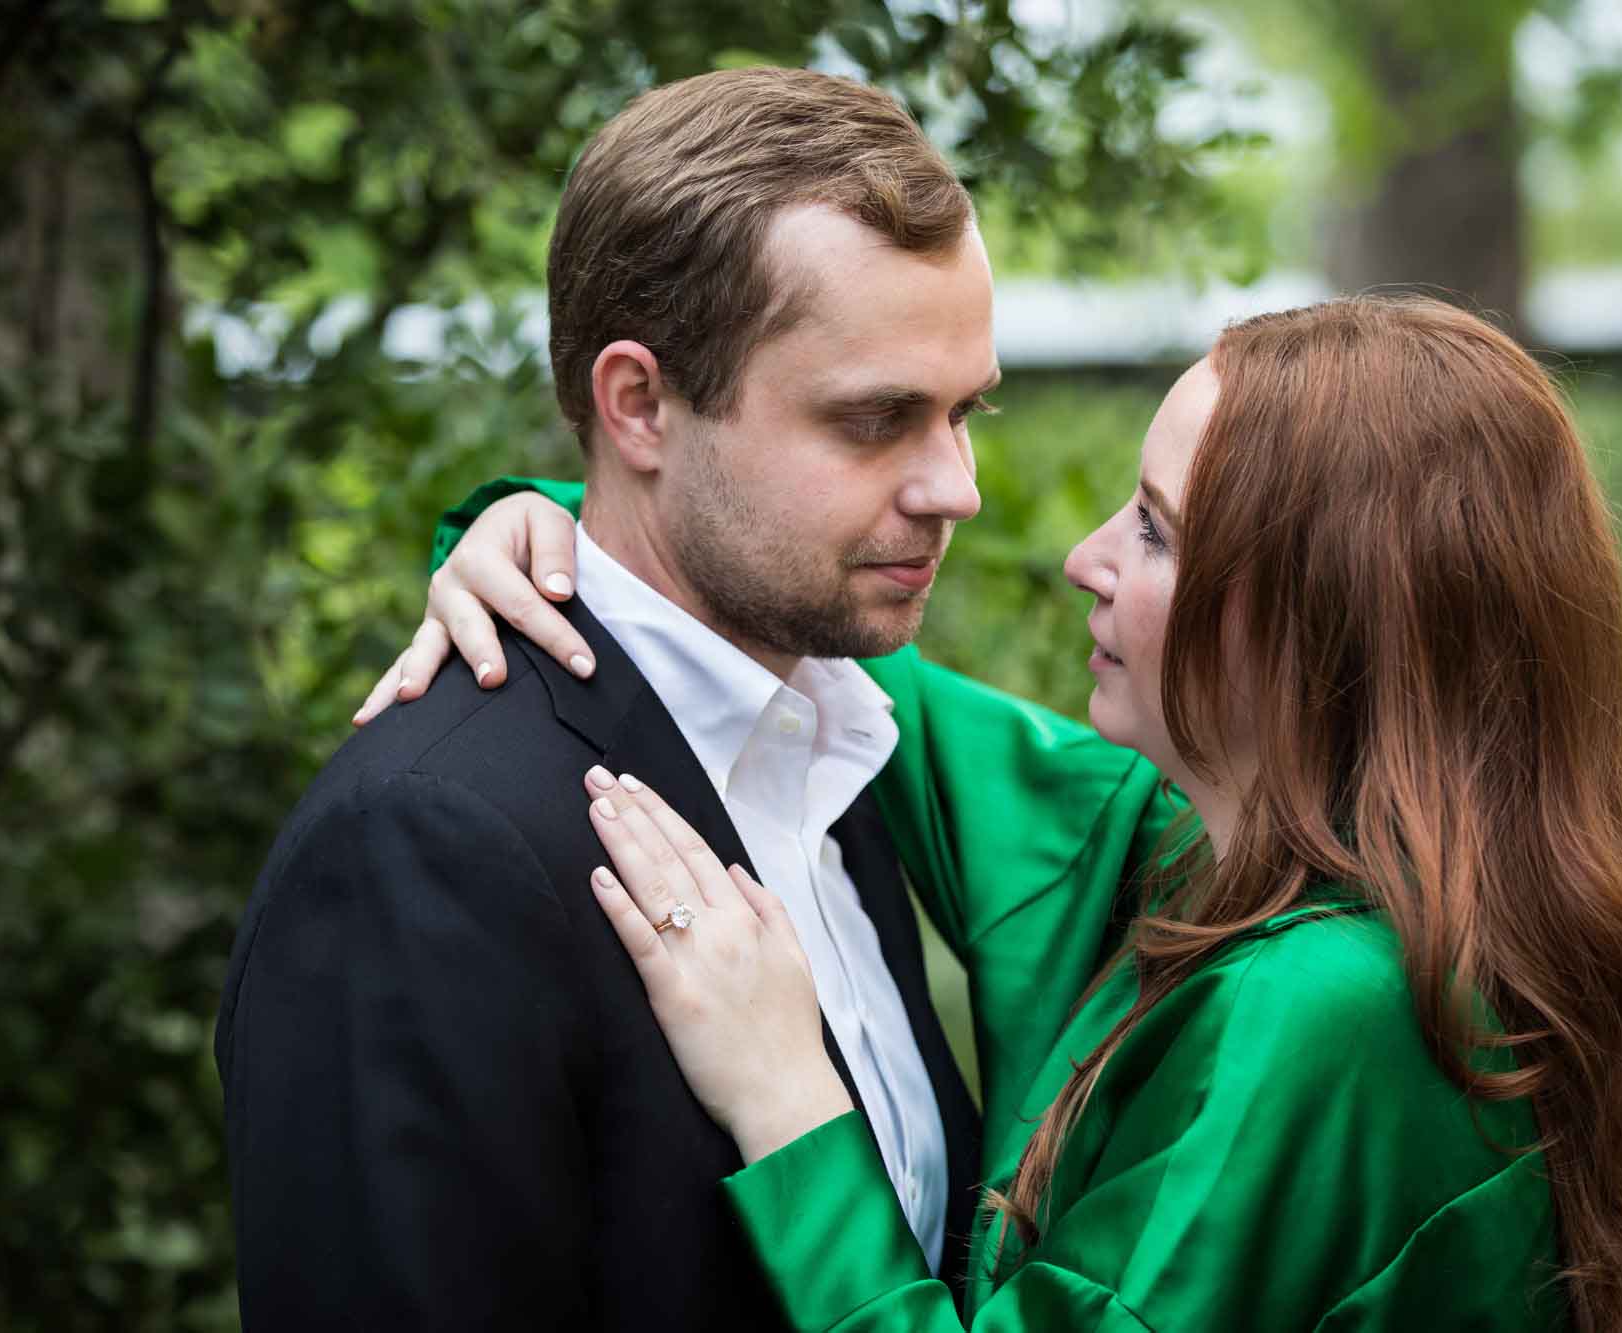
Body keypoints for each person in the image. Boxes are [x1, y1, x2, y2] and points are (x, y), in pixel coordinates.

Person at [366, 296, 1622, 1330]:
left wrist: (787, 1091)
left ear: (1319, 618)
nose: (1086, 559)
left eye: (1154, 529)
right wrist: (560, 528)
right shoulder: (1191, 850)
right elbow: (784, 640)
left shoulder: (1328, 1011)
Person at [215, 65, 1150, 1330]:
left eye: (961, 413)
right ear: (640, 405)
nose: (955, 488)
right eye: (875, 420)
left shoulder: (840, 741)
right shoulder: (421, 847)